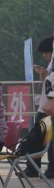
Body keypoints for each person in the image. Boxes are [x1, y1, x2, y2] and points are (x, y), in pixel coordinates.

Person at [30, 36, 54, 179]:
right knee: (38, 138)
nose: (46, 56)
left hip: (49, 107)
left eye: (47, 53)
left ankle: (39, 168)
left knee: (40, 138)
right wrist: (44, 76)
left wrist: (46, 76)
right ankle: (34, 167)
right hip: (45, 106)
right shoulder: (50, 65)